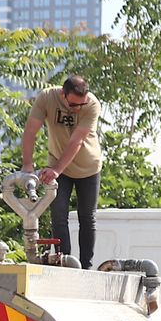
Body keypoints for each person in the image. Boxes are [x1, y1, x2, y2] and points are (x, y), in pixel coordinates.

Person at [20, 75, 103, 268]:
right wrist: (27, 164)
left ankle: (86, 266)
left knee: (87, 217)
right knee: (58, 216)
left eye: (81, 105)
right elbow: (31, 130)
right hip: (58, 166)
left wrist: (56, 170)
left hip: (88, 167)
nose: (78, 109)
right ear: (62, 94)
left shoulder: (92, 105)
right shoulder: (47, 98)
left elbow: (77, 140)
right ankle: (64, 263)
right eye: (74, 105)